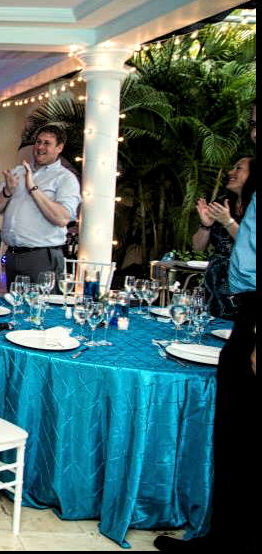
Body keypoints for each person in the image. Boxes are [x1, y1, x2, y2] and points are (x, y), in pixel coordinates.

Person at [156, 109, 257, 551]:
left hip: (248, 310)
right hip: (231, 301)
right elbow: (204, 246)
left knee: (240, 432)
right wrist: (206, 222)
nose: (251, 130)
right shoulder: (232, 199)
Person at [0, 125, 81, 286]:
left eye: (47, 143)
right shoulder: (18, 172)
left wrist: (33, 188)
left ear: (59, 148)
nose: (40, 147)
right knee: (15, 308)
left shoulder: (65, 178)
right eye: (38, 142)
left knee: (42, 309)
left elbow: (62, 219)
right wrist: (7, 191)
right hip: (12, 255)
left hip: (42, 258)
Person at [193, 156, 254, 319]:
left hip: (242, 288)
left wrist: (228, 222)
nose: (230, 172)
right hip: (213, 285)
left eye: (238, 168)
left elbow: (250, 245)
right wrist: (206, 225)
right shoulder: (221, 202)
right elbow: (198, 246)